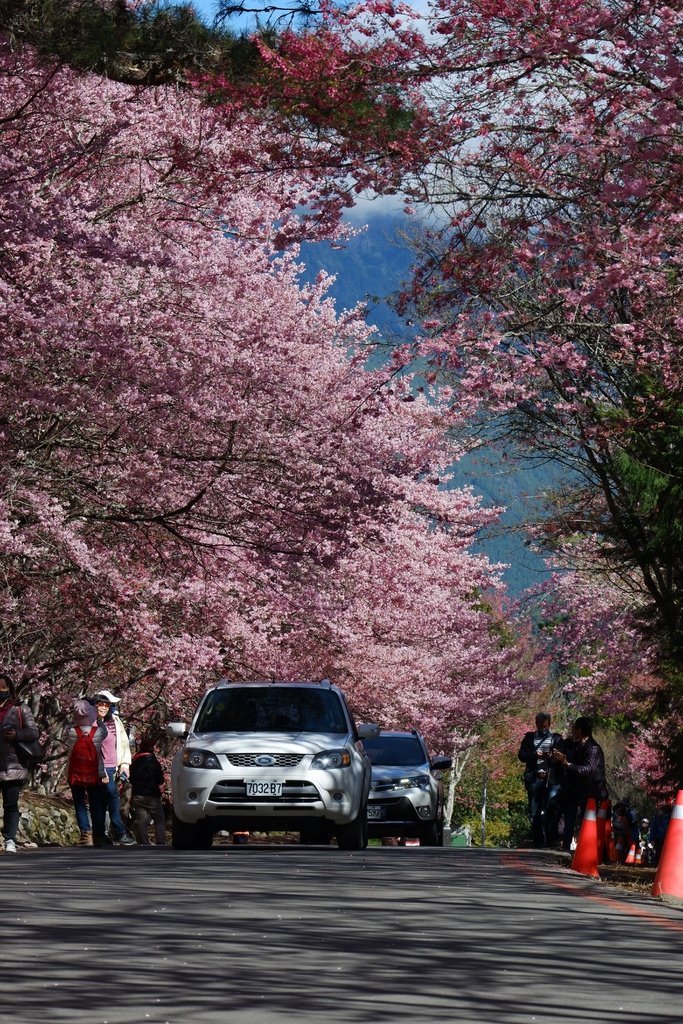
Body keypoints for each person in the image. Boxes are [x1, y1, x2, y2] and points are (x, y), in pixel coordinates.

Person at [551, 716, 608, 848]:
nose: (573, 730)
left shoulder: (593, 748)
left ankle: (592, 853)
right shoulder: (578, 746)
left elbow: (587, 769)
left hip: (593, 794)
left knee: (590, 824)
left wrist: (567, 764)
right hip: (579, 792)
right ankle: (567, 846)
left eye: (575, 728)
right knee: (573, 818)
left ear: (580, 730)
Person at [0, 674, 39, 855]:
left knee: (10, 804)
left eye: (3, 687)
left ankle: (10, 839)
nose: (1, 691)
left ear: (10, 688)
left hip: (13, 764)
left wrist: (16, 734)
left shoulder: (20, 709)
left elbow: (33, 732)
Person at [92, 690, 135, 846]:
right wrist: (100, 770)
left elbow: (123, 744)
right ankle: (118, 832)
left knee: (105, 800)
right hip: (97, 768)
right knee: (109, 798)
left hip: (113, 767)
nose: (103, 707)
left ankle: (101, 835)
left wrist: (124, 765)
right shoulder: (89, 722)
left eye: (106, 704)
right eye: (100, 704)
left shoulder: (115, 721)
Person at [66, 699, 107, 847]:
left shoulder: (72, 732)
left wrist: (67, 774)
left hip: (76, 773)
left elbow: (70, 755)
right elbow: (99, 757)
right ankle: (99, 835)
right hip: (93, 774)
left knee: (79, 803)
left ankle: (86, 834)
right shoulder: (98, 732)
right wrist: (102, 774)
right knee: (96, 804)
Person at [518, 712, 563, 847]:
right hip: (534, 778)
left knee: (551, 808)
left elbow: (561, 759)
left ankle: (551, 839)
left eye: (545, 726)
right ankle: (538, 841)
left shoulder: (557, 739)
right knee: (534, 811)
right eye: (539, 726)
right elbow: (521, 756)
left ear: (549, 724)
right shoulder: (529, 738)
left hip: (551, 779)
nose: (542, 728)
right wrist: (534, 754)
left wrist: (552, 756)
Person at [130, 734, 167, 846]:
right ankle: (160, 840)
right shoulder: (153, 762)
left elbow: (131, 779)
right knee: (159, 818)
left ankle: (143, 841)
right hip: (152, 795)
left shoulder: (135, 761)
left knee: (141, 818)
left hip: (138, 794)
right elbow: (160, 780)